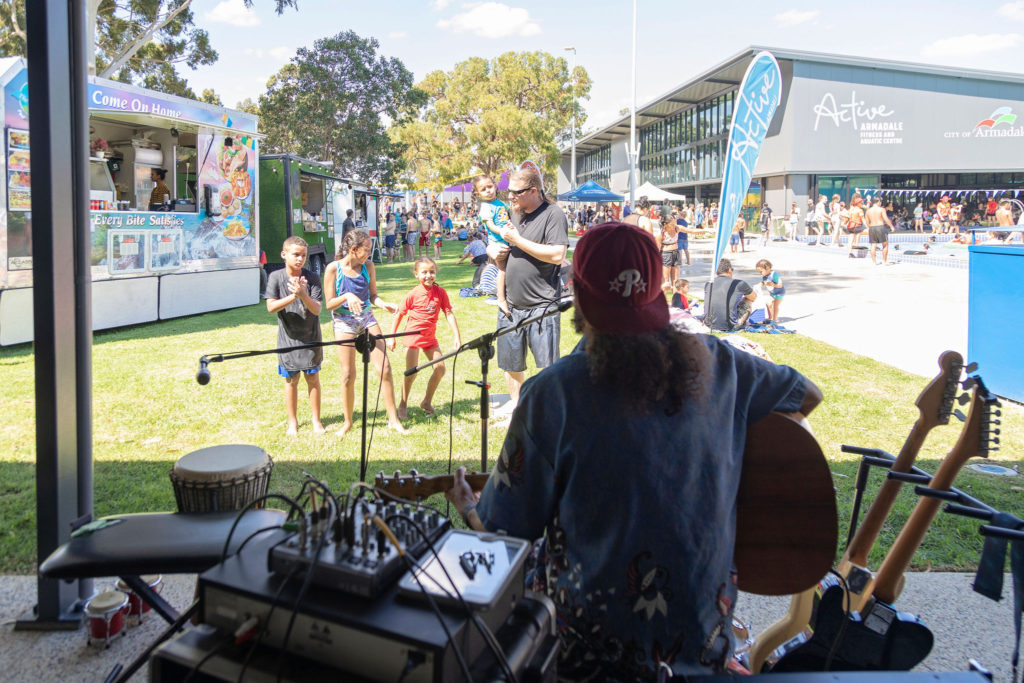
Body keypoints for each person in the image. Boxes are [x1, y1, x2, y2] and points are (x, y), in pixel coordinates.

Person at [444, 222, 822, 679]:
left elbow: (504, 537)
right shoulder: (724, 365)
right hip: (703, 642)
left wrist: (468, 507)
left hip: (584, 658)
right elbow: (807, 394)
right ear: (656, 295)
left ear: (578, 298)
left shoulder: (553, 394)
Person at [488, 166, 569, 416]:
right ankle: (518, 410)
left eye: (516, 192)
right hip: (510, 305)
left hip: (542, 306)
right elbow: (499, 244)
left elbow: (557, 255)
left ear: (534, 190)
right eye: (508, 191)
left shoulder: (553, 214)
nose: (510, 196)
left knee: (547, 367)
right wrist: (493, 251)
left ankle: (547, 415)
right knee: (510, 364)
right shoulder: (514, 212)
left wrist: (518, 241)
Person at [323, 229, 409, 436]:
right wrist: (347, 296)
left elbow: (372, 296)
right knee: (348, 375)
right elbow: (329, 304)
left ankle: (393, 420)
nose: (369, 254)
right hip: (344, 322)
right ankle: (348, 422)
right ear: (353, 249)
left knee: (385, 368)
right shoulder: (333, 269)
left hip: (367, 318)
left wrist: (383, 304)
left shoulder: (368, 267)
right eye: (367, 250)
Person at [265, 236, 325, 436]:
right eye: (296, 255)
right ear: (284, 255)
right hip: (288, 339)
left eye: (304, 256)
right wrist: (293, 295)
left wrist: (303, 294)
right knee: (291, 380)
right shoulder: (275, 277)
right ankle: (293, 422)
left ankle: (316, 420)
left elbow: (316, 310)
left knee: (313, 378)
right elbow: (271, 307)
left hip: (311, 337)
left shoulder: (313, 277)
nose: (300, 259)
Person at [389, 257, 461, 419]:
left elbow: (448, 313)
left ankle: (426, 402)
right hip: (412, 337)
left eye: (432, 272)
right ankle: (403, 404)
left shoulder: (440, 292)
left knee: (440, 368)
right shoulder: (413, 294)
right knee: (411, 373)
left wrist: (456, 336)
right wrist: (392, 337)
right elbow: (399, 314)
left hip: (430, 338)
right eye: (424, 272)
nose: (428, 275)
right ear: (416, 274)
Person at [474, 174, 514, 318]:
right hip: (497, 242)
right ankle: (501, 299)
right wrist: (503, 231)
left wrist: (509, 226)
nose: (488, 191)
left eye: (489, 187)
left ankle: (508, 294)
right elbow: (490, 225)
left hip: (508, 239)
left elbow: (506, 219)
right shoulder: (485, 207)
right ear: (479, 193)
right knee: (501, 270)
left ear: (495, 186)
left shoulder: (501, 204)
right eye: (483, 189)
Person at [703, 258, 756, 331]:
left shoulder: (708, 284)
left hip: (708, 325)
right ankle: (741, 322)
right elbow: (753, 297)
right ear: (729, 270)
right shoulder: (739, 283)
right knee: (748, 299)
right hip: (729, 327)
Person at [865, 196, 895, 265]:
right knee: (885, 245)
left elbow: (867, 222)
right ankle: (884, 261)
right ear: (878, 202)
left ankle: (874, 262)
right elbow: (886, 219)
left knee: (873, 245)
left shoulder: (868, 211)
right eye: (880, 202)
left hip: (872, 228)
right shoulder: (881, 209)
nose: (881, 203)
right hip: (880, 227)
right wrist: (891, 226)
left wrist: (870, 228)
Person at [756, 258, 785, 322]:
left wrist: (773, 284)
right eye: (759, 272)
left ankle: (774, 319)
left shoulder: (774, 274)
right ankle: (770, 317)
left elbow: (780, 285)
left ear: (768, 269)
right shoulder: (764, 276)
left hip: (779, 293)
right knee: (768, 303)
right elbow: (764, 282)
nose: (760, 273)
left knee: (775, 306)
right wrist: (759, 285)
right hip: (772, 293)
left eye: (761, 271)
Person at [659, 214, 681, 295]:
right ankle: (661, 302)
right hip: (665, 254)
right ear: (665, 224)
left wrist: (706, 231)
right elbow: (656, 248)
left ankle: (676, 301)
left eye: (674, 223)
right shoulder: (661, 233)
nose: (673, 225)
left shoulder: (676, 228)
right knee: (665, 281)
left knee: (675, 279)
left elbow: (690, 230)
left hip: (675, 252)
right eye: (671, 224)